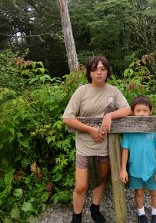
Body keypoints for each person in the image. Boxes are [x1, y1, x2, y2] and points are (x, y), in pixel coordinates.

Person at [62, 55, 131, 223]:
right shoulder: (82, 91)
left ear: (107, 71)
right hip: (84, 147)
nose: (99, 73)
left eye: (103, 69)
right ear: (89, 72)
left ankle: (95, 209)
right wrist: (90, 130)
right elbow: (67, 118)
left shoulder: (113, 91)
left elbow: (127, 109)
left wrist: (110, 116)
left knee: (100, 181)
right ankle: (76, 215)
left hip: (106, 148)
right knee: (81, 186)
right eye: (95, 69)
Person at [120, 95, 156, 223]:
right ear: (133, 112)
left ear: (150, 112)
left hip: (152, 169)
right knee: (138, 192)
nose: (142, 113)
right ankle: (141, 214)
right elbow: (125, 150)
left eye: (145, 110)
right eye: (138, 110)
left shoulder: (155, 128)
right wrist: (123, 169)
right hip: (135, 169)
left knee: (154, 192)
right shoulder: (129, 130)